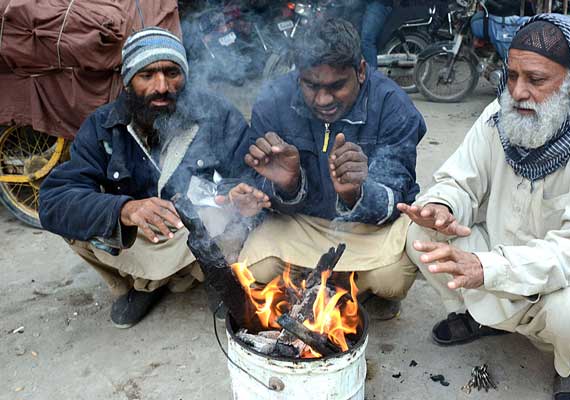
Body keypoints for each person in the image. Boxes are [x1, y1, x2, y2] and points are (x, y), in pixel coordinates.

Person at [400, 14, 570, 400]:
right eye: (512, 75)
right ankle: (485, 318)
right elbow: (460, 180)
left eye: (536, 79)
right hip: (501, 255)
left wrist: (488, 268)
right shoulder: (498, 119)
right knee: (420, 235)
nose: (516, 91)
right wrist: (443, 205)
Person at [39, 27, 251, 328]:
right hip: (140, 236)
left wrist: (235, 194)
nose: (162, 86)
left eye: (171, 72)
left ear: (185, 77)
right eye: (147, 74)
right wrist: (124, 210)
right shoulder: (103, 127)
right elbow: (53, 200)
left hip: (199, 229)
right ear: (128, 82)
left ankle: (216, 277)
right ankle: (143, 285)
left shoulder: (217, 114)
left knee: (232, 217)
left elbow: (250, 176)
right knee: (76, 221)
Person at [233, 18, 426, 320]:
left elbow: (397, 196)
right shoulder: (273, 102)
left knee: (392, 278)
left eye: (336, 86)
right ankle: (338, 288)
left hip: (369, 230)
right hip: (301, 222)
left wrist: (357, 194)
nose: (322, 100)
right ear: (298, 75)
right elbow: (256, 187)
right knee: (255, 268)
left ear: (361, 71)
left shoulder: (393, 105)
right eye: (311, 85)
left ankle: (329, 287)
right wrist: (289, 184)